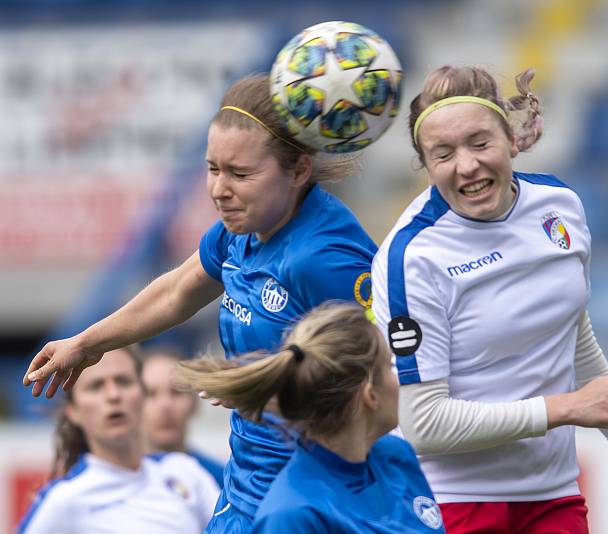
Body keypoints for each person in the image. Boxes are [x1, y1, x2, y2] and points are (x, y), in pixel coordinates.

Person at [372, 65, 608, 533]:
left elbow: (572, 340)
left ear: (513, 138)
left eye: (480, 143)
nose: (466, 165)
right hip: (445, 503)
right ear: (425, 162)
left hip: (551, 496)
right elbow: (425, 425)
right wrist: (564, 409)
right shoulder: (413, 256)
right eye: (443, 153)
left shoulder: (559, 205)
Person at [23, 73, 377, 532]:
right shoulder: (243, 230)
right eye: (213, 169)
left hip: (312, 496)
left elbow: (375, 385)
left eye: (240, 174)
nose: (218, 190)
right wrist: (88, 344)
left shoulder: (323, 258)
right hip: (249, 485)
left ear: (299, 171)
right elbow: (176, 291)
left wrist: (254, 384)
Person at [176, 302, 444, 533]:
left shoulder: (397, 456)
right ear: (369, 394)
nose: (397, 382)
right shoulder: (294, 515)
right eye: (388, 368)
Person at [17, 346, 219, 534]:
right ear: (73, 410)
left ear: (141, 394)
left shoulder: (185, 472)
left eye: (123, 381)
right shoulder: (63, 500)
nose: (113, 395)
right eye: (96, 386)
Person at [141, 347, 225, 486]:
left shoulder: (221, 481)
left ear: (195, 402)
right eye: (150, 393)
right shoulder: (112, 480)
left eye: (176, 392)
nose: (165, 405)